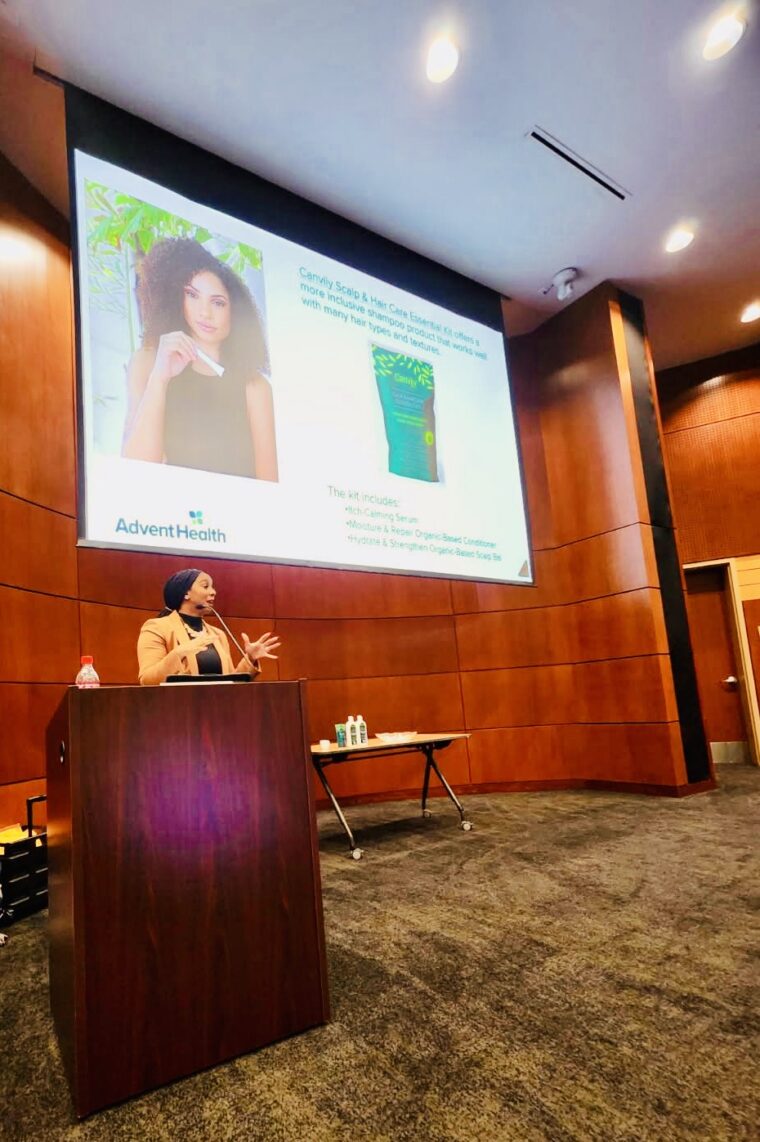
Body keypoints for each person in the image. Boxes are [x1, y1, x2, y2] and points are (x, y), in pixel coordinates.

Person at [122, 237, 278, 480]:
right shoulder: (147, 363)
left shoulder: (255, 387)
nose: (204, 313)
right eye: (192, 295)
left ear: (236, 312)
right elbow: (134, 470)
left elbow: (269, 484)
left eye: (218, 303)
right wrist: (160, 378)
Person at [137, 568, 280, 686]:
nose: (213, 592)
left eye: (212, 587)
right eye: (205, 586)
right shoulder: (156, 627)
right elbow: (147, 680)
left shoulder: (217, 634)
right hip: (179, 708)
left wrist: (250, 658)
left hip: (218, 707)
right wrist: (178, 653)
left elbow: (231, 682)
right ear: (185, 593)